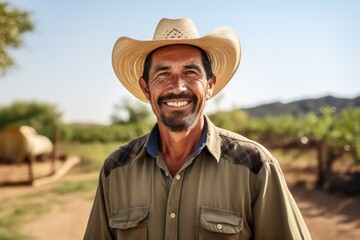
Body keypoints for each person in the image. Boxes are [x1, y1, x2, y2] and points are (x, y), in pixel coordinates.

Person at [84, 17, 312, 240]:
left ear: (210, 85)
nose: (177, 87)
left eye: (190, 72)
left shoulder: (254, 166)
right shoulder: (115, 171)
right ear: (145, 88)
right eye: (163, 74)